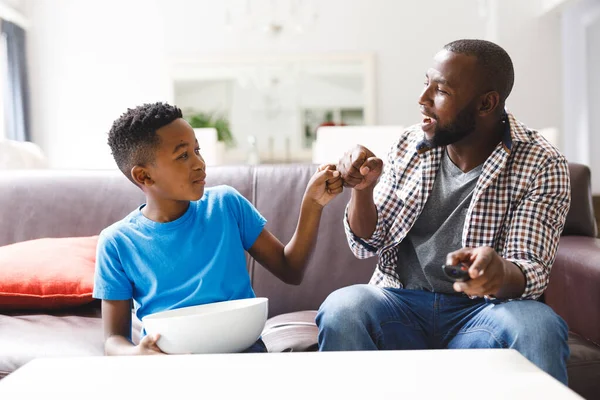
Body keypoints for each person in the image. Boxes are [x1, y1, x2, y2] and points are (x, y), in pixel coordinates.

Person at [316, 39, 571, 384]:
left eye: (441, 92)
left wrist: (498, 272)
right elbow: (367, 243)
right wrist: (363, 192)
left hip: (484, 312)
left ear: (486, 103)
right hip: (401, 304)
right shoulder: (409, 145)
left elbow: (531, 269)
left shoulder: (541, 161)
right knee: (343, 307)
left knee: (539, 326)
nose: (422, 100)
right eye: (426, 84)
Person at [93, 102, 342, 356]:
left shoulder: (225, 204)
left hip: (244, 352)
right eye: (183, 155)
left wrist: (312, 205)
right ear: (144, 176)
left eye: (197, 150)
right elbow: (114, 339)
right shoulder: (116, 242)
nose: (199, 163)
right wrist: (137, 354)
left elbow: (290, 270)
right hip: (170, 363)